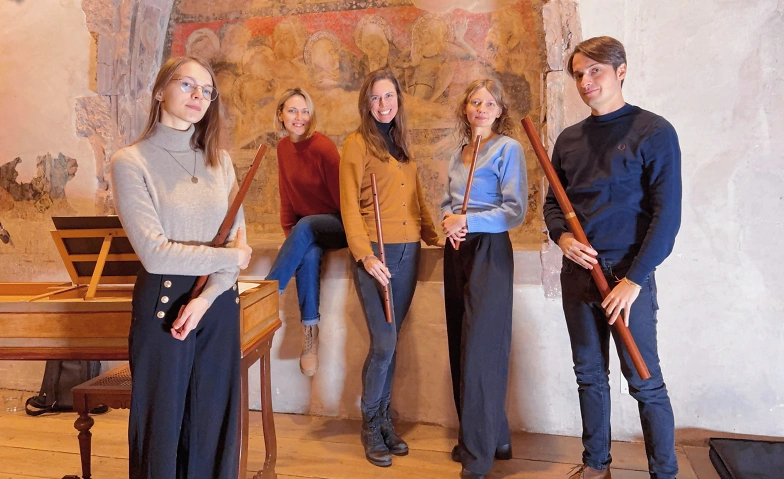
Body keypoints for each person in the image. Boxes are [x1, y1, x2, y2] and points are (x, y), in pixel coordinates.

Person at [543, 36, 681, 479]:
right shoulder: (569, 140)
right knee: (588, 375)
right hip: (578, 274)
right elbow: (553, 204)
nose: (585, 81)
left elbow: (667, 217)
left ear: (621, 71)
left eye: (595, 70)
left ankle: (665, 473)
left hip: (627, 278)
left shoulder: (653, 131)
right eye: (578, 74)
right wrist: (563, 238)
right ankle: (596, 466)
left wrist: (634, 281)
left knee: (644, 381)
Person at [111, 56, 252, 478]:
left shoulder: (220, 161)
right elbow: (155, 254)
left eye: (206, 90)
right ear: (160, 90)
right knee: (162, 426)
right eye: (187, 84)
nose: (198, 96)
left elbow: (238, 238)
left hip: (218, 302)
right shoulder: (130, 161)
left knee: (213, 421)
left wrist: (205, 299)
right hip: (164, 301)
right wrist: (229, 259)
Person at [339, 69, 442, 467]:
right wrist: (365, 255)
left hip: (408, 251)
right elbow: (349, 206)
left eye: (389, 97)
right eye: (376, 98)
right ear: (367, 104)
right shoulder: (356, 144)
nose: (383, 104)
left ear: (398, 100)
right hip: (375, 253)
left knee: (393, 341)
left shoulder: (403, 146)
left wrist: (434, 237)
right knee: (382, 343)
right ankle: (369, 424)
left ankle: (384, 420)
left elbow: (418, 201)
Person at [441, 79, 527, 479]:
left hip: (489, 249)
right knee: (461, 341)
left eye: (489, 103)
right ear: (466, 108)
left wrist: (468, 221)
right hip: (457, 248)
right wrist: (449, 222)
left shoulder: (508, 149)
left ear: (499, 110)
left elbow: (514, 210)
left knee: (481, 348)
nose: (481, 108)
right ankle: (495, 438)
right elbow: (448, 202)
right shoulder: (459, 153)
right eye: (475, 101)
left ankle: (477, 456)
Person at [266, 87, 346, 377]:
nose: (299, 117)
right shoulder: (282, 148)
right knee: (308, 257)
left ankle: (267, 294)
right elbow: (286, 194)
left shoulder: (322, 147)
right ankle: (310, 333)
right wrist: (292, 240)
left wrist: (298, 232)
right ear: (281, 115)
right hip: (309, 230)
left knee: (308, 224)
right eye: (292, 111)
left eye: (304, 111)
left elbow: (345, 198)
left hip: (339, 223)